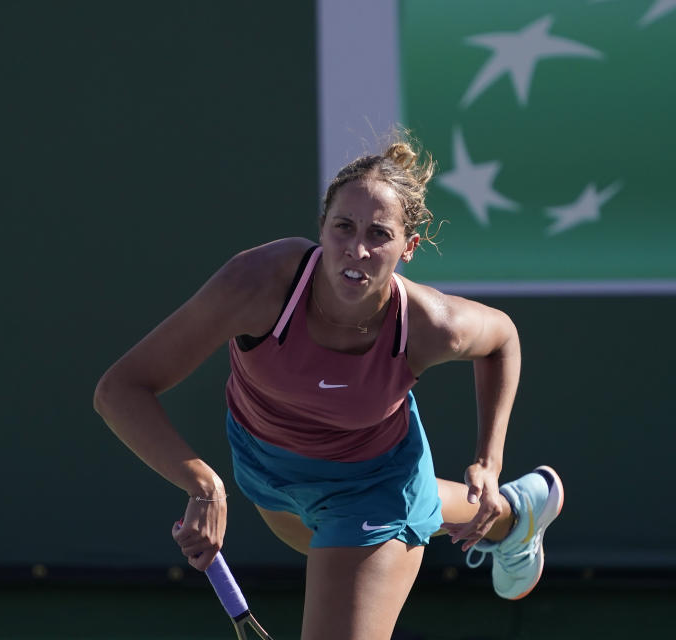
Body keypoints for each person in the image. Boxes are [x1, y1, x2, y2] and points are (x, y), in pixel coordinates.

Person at [93, 135, 564, 640]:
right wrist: (203, 485)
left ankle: (501, 509)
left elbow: (502, 340)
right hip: (268, 476)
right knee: (407, 507)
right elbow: (119, 389)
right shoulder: (257, 283)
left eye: (379, 234)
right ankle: (515, 516)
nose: (357, 249)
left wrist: (488, 462)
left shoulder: (430, 324)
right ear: (322, 226)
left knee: (396, 517)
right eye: (343, 226)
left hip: (373, 490)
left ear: (409, 247)